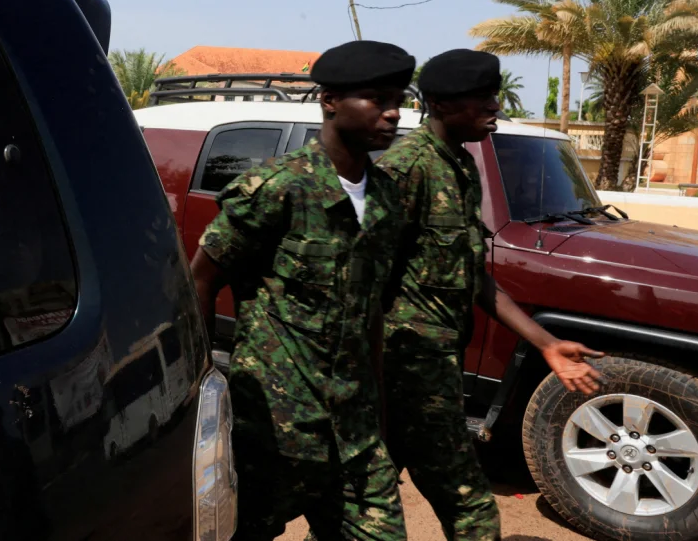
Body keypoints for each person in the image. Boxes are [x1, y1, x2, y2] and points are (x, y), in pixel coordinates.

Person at [376, 48, 604, 541]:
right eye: (479, 98)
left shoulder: (458, 166)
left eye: (493, 95)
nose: (493, 106)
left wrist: (545, 343)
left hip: (432, 367)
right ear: (437, 103)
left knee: (367, 501)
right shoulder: (404, 171)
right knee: (465, 506)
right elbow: (362, 282)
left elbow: (472, 276)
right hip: (400, 369)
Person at [191, 40, 413, 541]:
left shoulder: (385, 200)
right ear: (330, 100)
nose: (394, 112)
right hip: (273, 425)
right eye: (377, 99)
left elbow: (372, 309)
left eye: (398, 98)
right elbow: (202, 277)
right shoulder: (277, 188)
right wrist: (208, 394)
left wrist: (377, 409)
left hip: (356, 433)